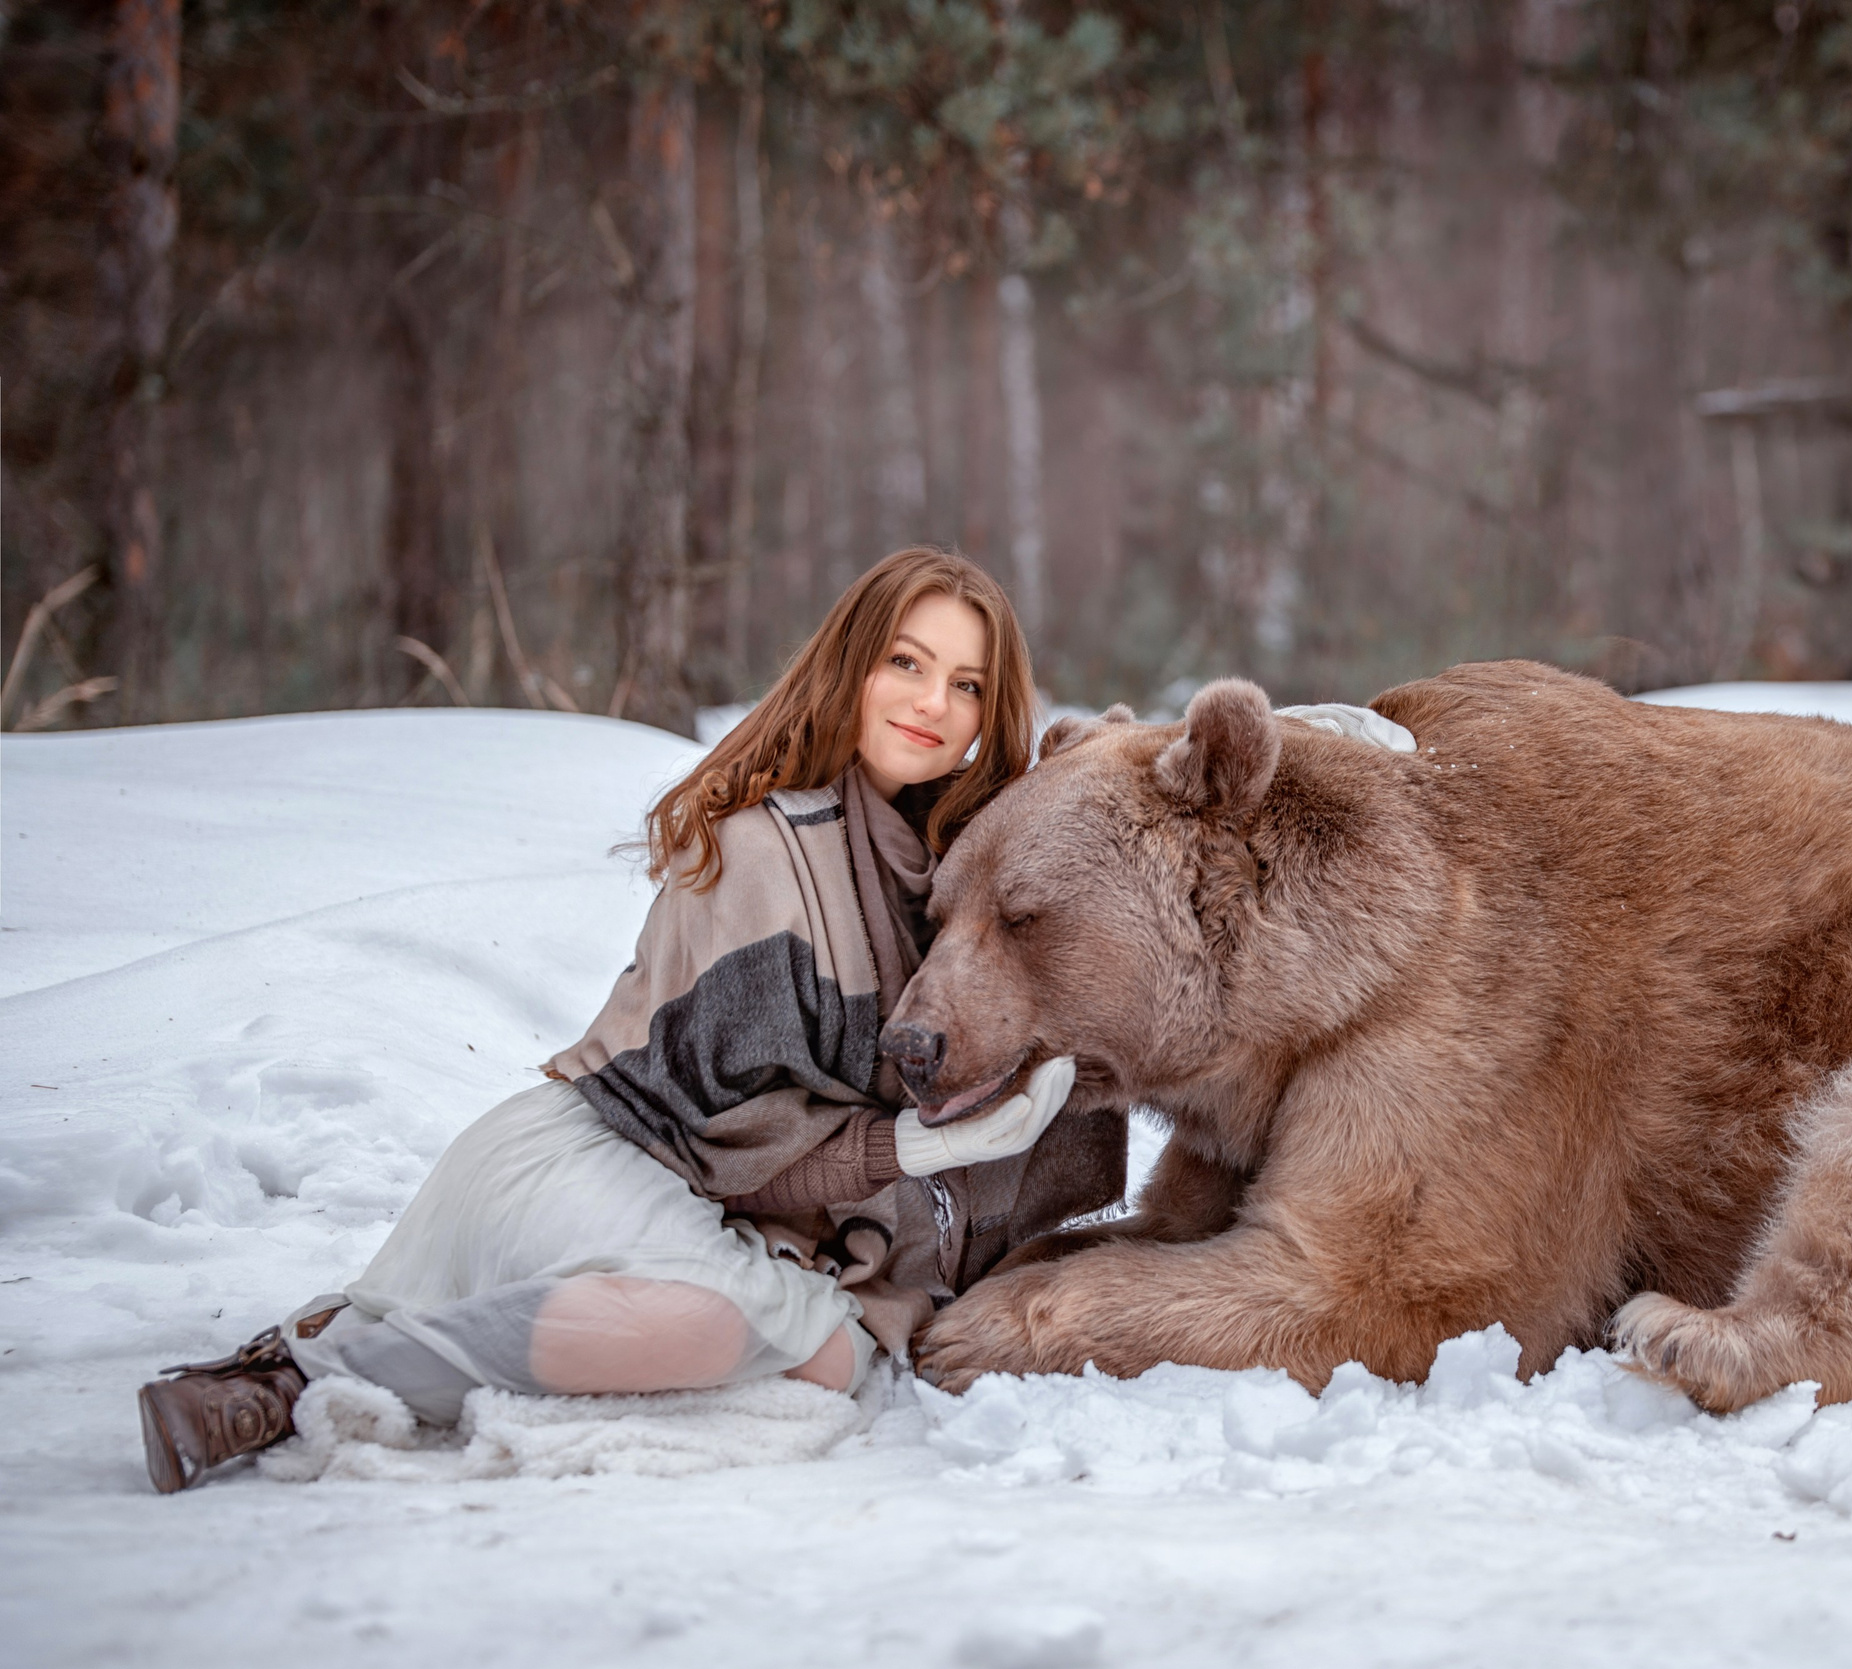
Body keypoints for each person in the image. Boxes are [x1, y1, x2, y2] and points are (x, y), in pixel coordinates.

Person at [137, 547, 1126, 1493]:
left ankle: (399, 1340)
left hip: (732, 1213)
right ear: (851, 664)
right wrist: (912, 1147)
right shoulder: (761, 850)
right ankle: (290, 1379)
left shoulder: (964, 872)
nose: (933, 702)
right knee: (728, 1330)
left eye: (965, 683)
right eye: (906, 662)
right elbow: (725, 1149)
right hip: (610, 1155)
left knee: (828, 1355)